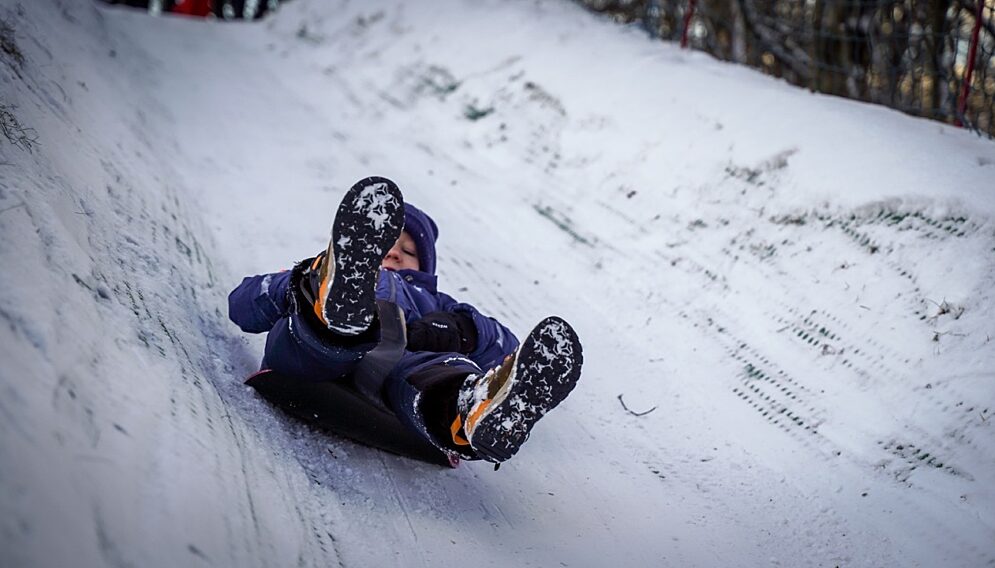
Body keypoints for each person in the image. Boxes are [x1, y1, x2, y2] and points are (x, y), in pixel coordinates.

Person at [228, 176, 583, 463]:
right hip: (317, 353)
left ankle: (468, 412)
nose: (394, 252)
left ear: (425, 268)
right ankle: (334, 313)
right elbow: (241, 305)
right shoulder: (320, 274)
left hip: (401, 375)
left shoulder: (435, 302)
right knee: (313, 324)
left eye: (409, 251)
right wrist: (295, 285)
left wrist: (462, 329)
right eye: (384, 244)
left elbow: (505, 346)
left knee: (443, 367)